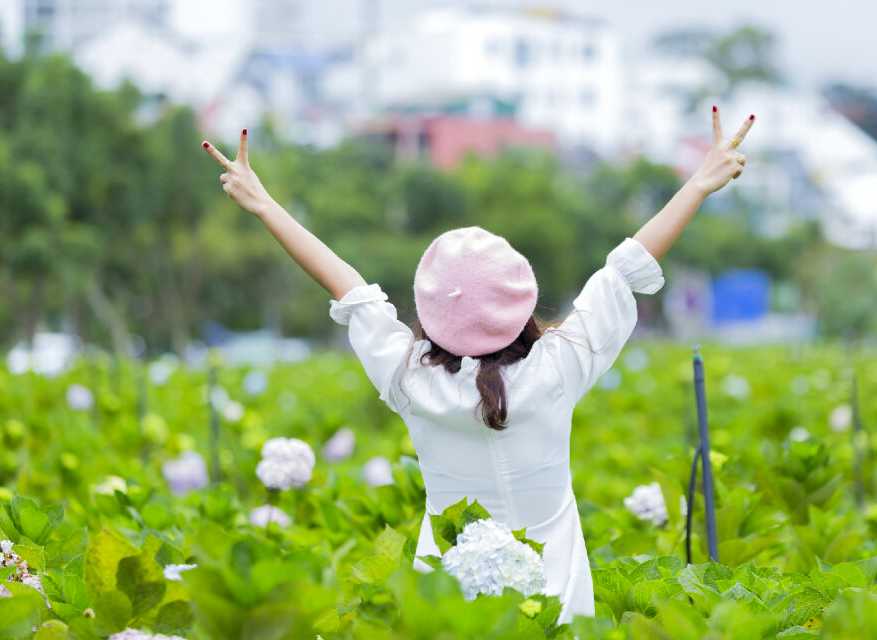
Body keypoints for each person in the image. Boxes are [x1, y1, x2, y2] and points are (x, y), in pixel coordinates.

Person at [201, 106, 754, 624]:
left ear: (430, 310)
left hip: (445, 607)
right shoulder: (557, 369)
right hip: (555, 611)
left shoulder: (410, 379)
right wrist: (700, 182)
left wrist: (265, 206)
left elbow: (347, 287)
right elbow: (629, 265)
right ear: (521, 301)